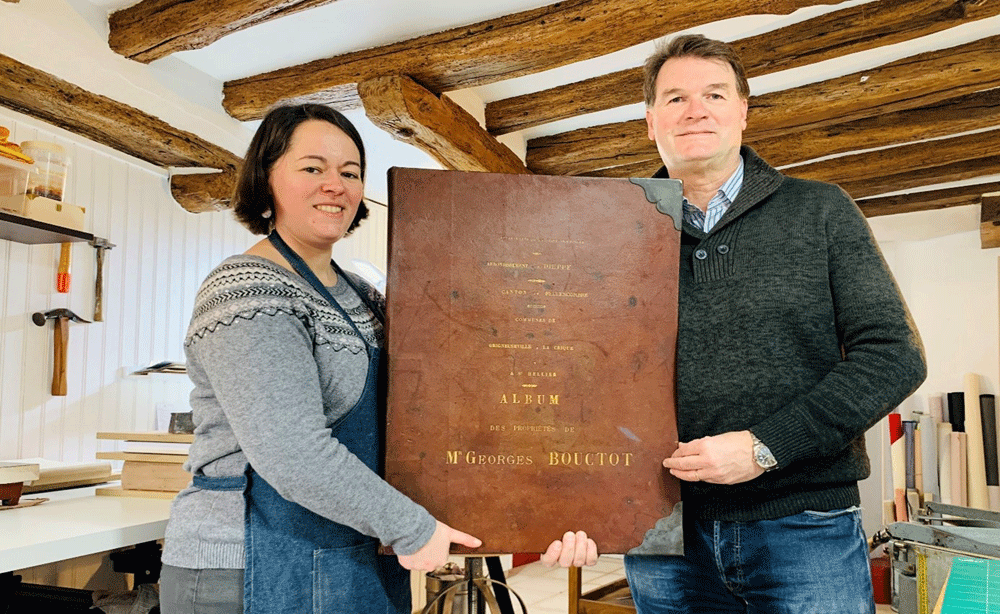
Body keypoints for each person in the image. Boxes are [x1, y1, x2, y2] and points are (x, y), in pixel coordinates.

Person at [159, 103, 596, 614]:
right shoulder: (247, 290)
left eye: (350, 173)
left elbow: (440, 414)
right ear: (266, 179)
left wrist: (545, 513)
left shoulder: (364, 295)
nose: (335, 185)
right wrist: (413, 527)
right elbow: (292, 454)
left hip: (356, 557)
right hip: (244, 568)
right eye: (312, 168)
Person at [623, 35, 927, 614]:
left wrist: (765, 447)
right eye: (675, 98)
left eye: (714, 93)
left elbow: (894, 355)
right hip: (661, 532)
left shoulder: (821, 211)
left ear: (742, 110)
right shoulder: (617, 231)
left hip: (803, 525)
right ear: (649, 121)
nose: (695, 109)